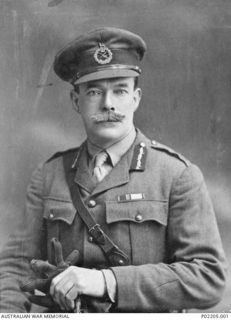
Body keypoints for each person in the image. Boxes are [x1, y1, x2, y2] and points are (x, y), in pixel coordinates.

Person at [0, 27, 227, 313]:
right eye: (94, 92)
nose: (108, 104)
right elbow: (15, 267)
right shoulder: (49, 175)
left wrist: (106, 281)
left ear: (136, 98)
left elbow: (208, 277)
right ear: (75, 101)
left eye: (120, 90)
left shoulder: (176, 175)